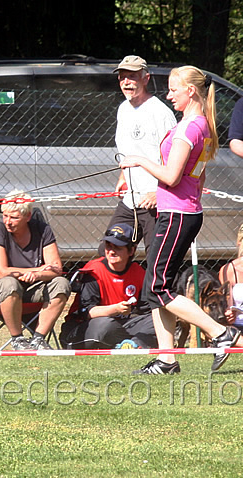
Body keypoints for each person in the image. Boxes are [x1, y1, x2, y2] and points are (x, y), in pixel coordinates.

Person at [120, 65, 243, 374]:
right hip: (182, 212)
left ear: (190, 91)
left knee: (159, 288)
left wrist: (139, 161)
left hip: (177, 215)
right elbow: (196, 178)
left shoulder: (190, 128)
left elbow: (173, 177)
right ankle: (166, 360)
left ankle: (221, 333)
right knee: (155, 288)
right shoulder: (200, 124)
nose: (169, 94)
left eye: (174, 89)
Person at [101, 55, 177, 256]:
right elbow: (127, 151)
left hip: (155, 202)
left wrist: (158, 193)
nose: (126, 82)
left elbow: (174, 160)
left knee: (157, 262)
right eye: (122, 77)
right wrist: (123, 176)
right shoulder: (123, 109)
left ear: (145, 78)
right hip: (130, 200)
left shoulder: (160, 113)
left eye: (132, 77)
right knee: (108, 252)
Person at [0, 190, 71, 350]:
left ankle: (38, 340)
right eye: (5, 216)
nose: (8, 221)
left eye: (14, 217)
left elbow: (56, 269)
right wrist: (39, 270)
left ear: (28, 216)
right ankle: (18, 340)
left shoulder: (43, 230)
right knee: (10, 284)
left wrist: (36, 275)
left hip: (33, 287)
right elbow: (1, 271)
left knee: (61, 283)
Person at [60, 223, 157, 349]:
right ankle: (135, 343)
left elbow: (146, 309)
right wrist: (115, 309)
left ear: (131, 250)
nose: (111, 251)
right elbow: (86, 312)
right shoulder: (94, 270)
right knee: (105, 325)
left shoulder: (138, 272)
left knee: (157, 320)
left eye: (117, 247)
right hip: (87, 326)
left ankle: (129, 345)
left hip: (122, 325)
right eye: (108, 246)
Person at [218, 224, 243, 331]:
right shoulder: (229, 269)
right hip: (237, 327)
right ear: (240, 242)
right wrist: (228, 313)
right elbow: (226, 306)